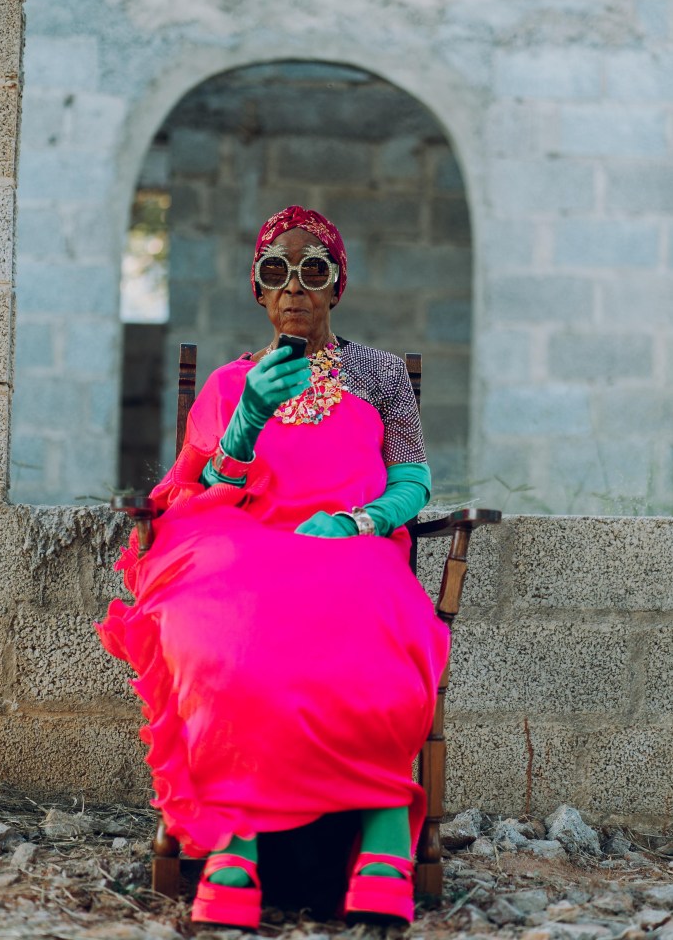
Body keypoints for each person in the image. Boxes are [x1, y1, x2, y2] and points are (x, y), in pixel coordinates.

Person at [97, 206, 451, 928]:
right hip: (246, 545)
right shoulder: (232, 381)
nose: (294, 288)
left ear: (336, 286)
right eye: (275, 272)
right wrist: (246, 422)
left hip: (348, 543)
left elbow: (411, 480)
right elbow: (199, 490)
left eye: (312, 270)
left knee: (373, 616)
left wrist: (360, 520)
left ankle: (384, 845)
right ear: (257, 291)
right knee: (221, 629)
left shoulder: (381, 374)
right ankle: (235, 846)